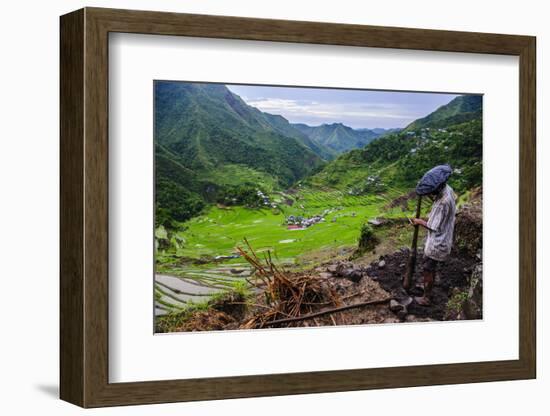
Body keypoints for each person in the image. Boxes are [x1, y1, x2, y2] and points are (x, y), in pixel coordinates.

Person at [411, 181, 456, 306]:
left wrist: (419, 221)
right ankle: (427, 286)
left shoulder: (442, 204)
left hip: (438, 242)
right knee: (430, 266)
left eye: (431, 192)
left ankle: (426, 297)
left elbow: (433, 226)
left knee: (428, 268)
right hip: (444, 236)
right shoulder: (448, 189)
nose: (430, 194)